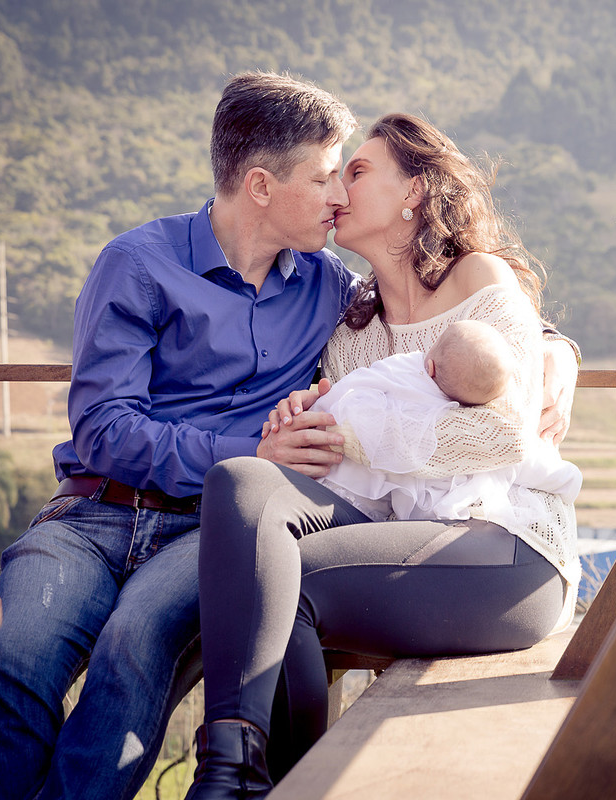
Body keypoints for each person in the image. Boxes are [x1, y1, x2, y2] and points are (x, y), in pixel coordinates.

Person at [0, 72, 579, 800]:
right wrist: (257, 449)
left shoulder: (326, 289)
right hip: (93, 511)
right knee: (11, 652)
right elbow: (103, 428)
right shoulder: (164, 271)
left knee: (137, 645)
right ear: (261, 186)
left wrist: (555, 348)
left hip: (218, 528)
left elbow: (470, 345)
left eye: (351, 173)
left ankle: (234, 776)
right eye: (329, 175)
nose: (339, 195)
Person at [185, 112, 581, 797]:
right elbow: (347, 458)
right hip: (399, 536)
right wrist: (296, 438)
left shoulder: (480, 282)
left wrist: (357, 434)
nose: (336, 189)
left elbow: (504, 435)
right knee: (241, 485)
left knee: (286, 582)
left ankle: (260, 782)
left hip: (508, 553)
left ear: (415, 193)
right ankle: (235, 768)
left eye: (357, 172)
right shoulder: (352, 331)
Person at [309, 318, 582, 524]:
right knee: (499, 471)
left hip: (339, 482)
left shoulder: (403, 367)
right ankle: (569, 479)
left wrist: (325, 408)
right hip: (416, 508)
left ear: (429, 365)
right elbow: (528, 458)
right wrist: (568, 480)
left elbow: (361, 382)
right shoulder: (464, 423)